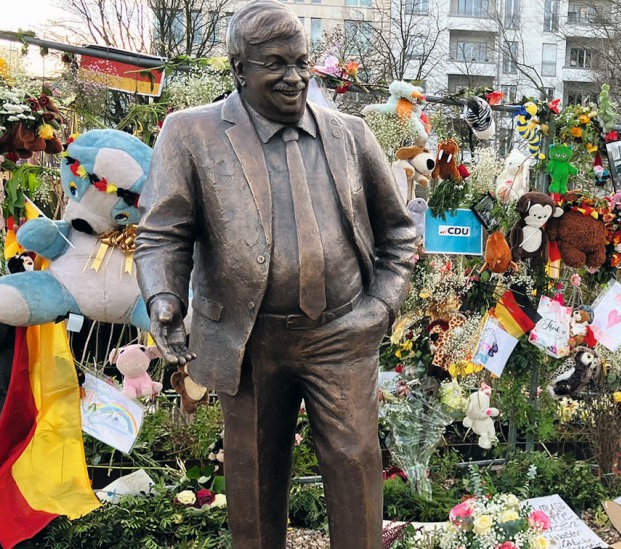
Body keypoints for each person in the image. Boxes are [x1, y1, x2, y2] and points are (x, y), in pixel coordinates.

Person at [134, 2, 416, 547]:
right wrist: (164, 298)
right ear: (240, 69)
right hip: (249, 339)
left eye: (302, 62)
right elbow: (164, 231)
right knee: (255, 481)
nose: (295, 77)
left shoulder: (351, 134)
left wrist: (378, 308)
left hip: (342, 334)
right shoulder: (190, 132)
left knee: (357, 467)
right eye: (276, 64)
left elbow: (399, 232)